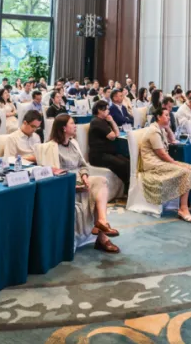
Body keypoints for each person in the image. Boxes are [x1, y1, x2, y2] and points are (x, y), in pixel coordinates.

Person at [47, 114, 119, 252]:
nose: (75, 126)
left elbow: (82, 165)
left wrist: (85, 176)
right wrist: (72, 185)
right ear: (63, 128)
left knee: (101, 181)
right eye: (72, 123)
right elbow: (52, 173)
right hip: (67, 183)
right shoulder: (51, 147)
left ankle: (102, 221)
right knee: (97, 191)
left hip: (80, 180)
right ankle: (102, 238)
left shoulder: (73, 143)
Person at [139, 107, 191, 222]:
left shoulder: (161, 128)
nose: (169, 117)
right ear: (158, 117)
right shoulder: (153, 131)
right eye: (166, 115)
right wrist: (175, 163)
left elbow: (172, 140)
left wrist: (168, 128)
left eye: (168, 115)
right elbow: (161, 153)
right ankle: (183, 208)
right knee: (185, 172)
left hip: (161, 161)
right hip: (153, 164)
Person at [87, 100, 131, 191]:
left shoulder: (104, 120)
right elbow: (112, 137)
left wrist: (112, 121)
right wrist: (112, 128)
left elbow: (117, 133)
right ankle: (127, 187)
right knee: (122, 164)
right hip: (98, 156)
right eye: (106, 109)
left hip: (108, 153)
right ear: (99, 110)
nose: (108, 111)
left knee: (128, 162)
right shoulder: (96, 121)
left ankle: (128, 186)